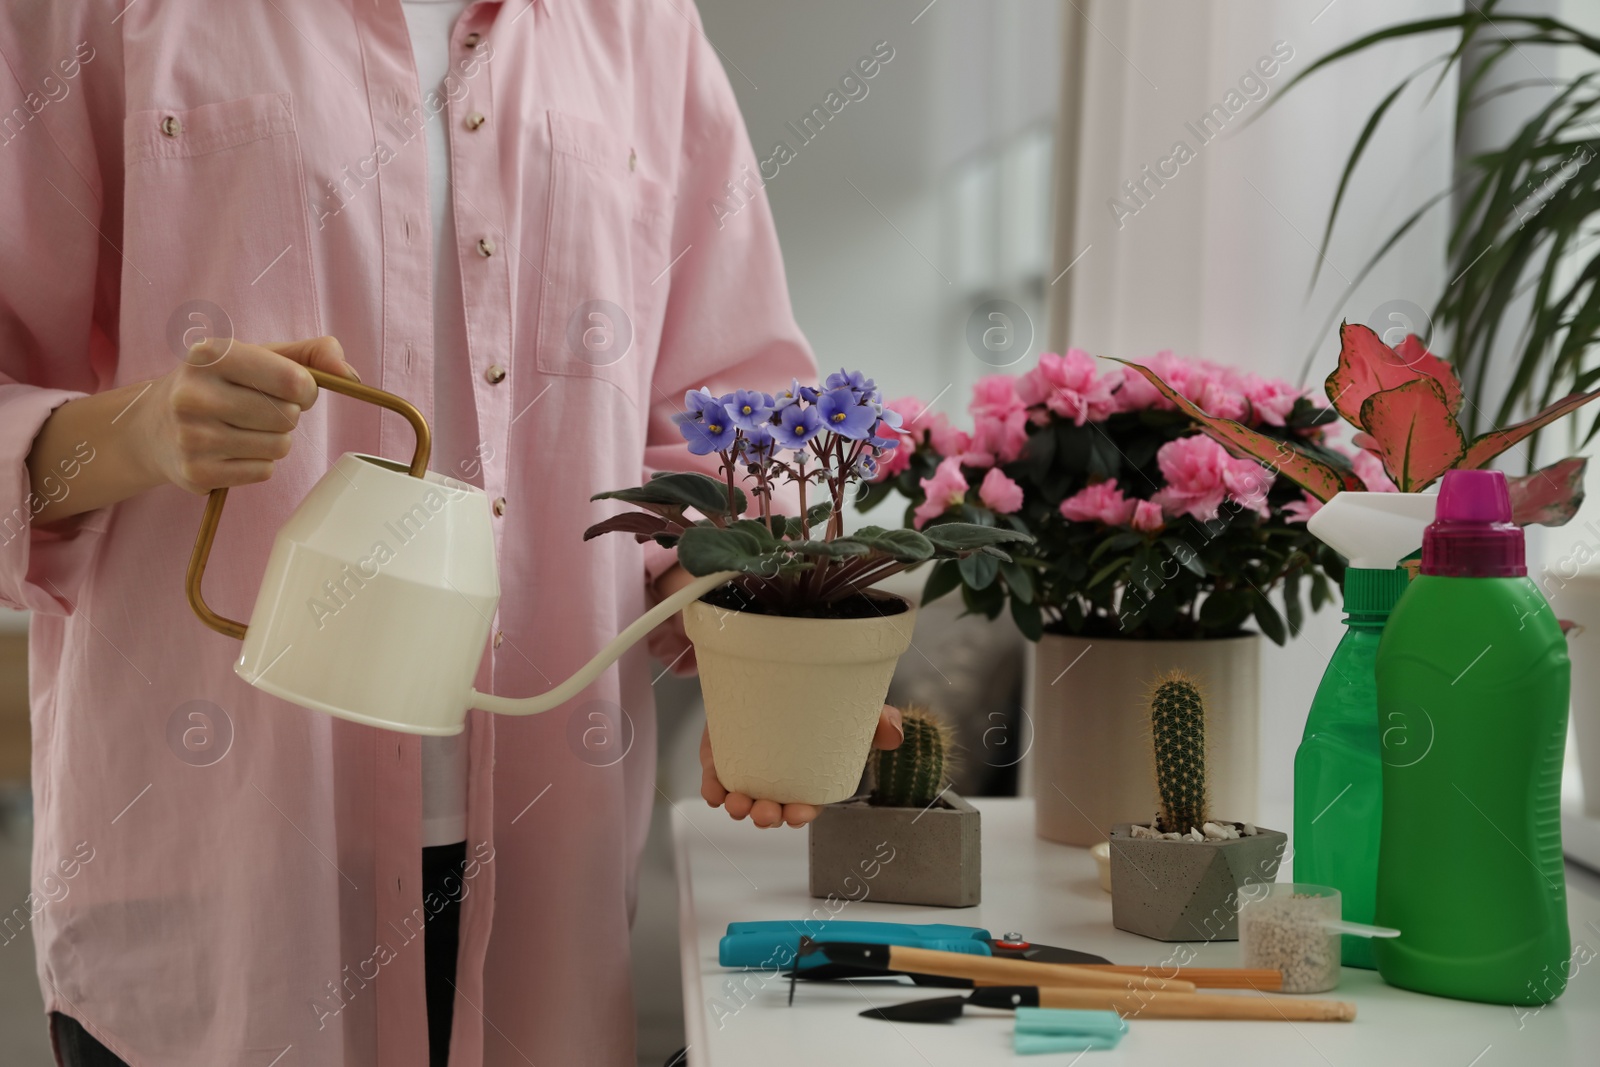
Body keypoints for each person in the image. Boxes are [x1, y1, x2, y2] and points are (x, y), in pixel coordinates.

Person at [0, 2, 901, 1065]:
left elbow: (730, 423)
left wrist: (753, 646)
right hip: (221, 896)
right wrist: (142, 429)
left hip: (541, 877)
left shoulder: (640, 28)